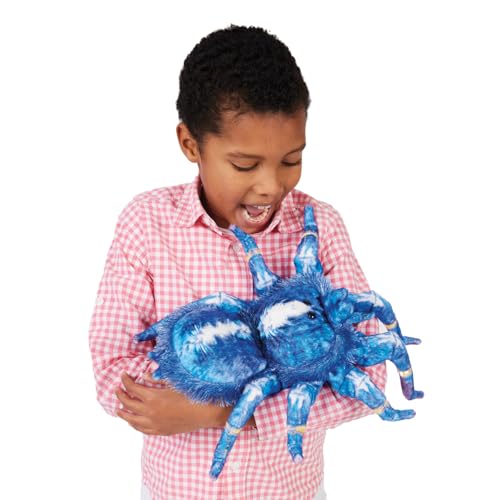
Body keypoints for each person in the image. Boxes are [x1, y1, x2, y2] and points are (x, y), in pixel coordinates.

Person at [89, 24, 386, 500]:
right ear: (190, 144)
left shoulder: (320, 227)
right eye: (245, 165)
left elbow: (368, 380)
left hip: (290, 491)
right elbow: (112, 367)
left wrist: (212, 409)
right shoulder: (146, 223)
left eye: (291, 160)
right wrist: (280, 384)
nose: (270, 186)